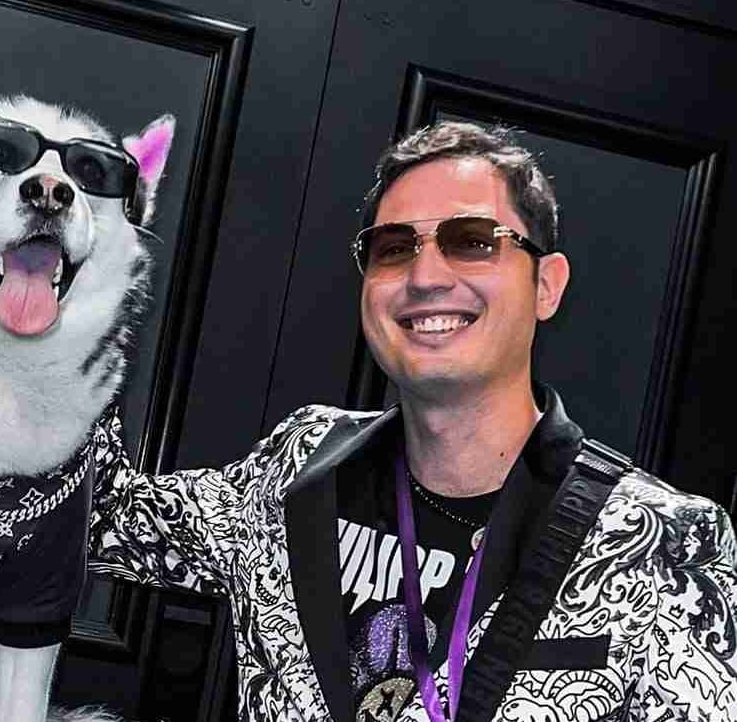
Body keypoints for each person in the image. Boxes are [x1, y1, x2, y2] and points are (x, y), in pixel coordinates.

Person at [88, 121, 737, 722]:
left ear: (546, 285)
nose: (425, 276)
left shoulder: (667, 541)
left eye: (472, 241)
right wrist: (72, 278)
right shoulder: (297, 462)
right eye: (394, 248)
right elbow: (100, 521)